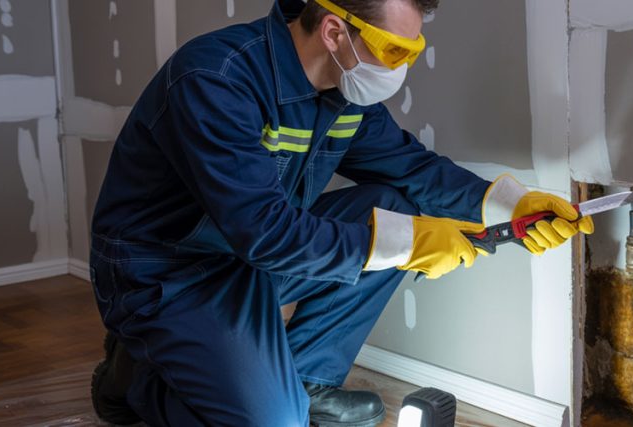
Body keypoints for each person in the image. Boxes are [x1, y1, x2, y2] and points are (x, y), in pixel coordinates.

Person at [88, 0, 593, 425]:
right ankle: (134, 377)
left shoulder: (343, 94)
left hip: (247, 260)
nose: (402, 67)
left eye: (412, 51)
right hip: (168, 275)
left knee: (393, 204)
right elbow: (265, 232)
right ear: (334, 30)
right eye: (394, 50)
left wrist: (511, 203)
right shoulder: (215, 80)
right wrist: (411, 244)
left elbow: (411, 168)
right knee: (276, 422)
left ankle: (307, 379)